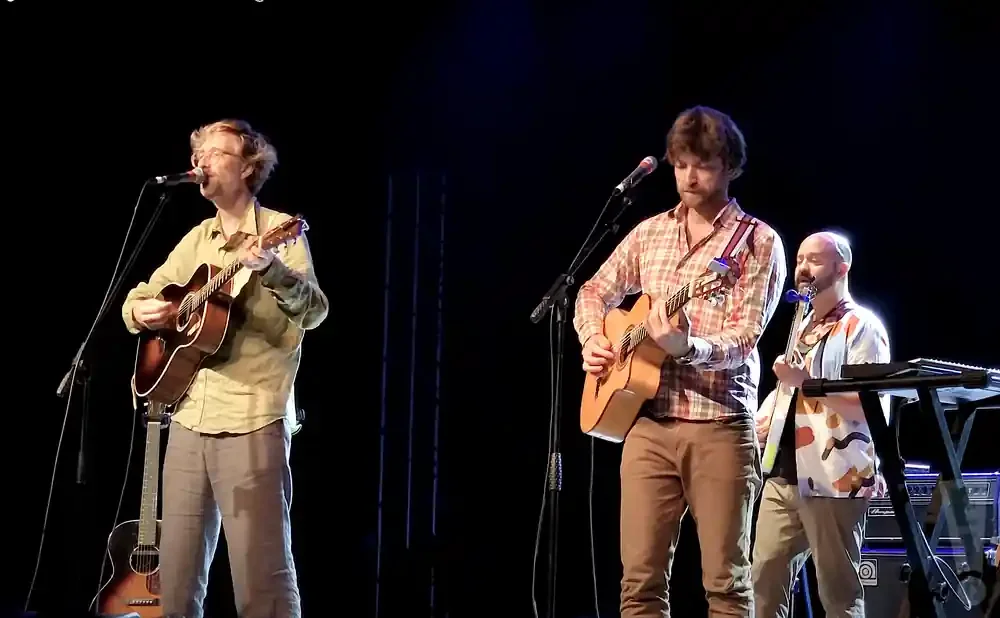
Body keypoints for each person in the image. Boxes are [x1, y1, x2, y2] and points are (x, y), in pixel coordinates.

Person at [574, 105, 787, 618]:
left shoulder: (756, 242)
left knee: (727, 586)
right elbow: (592, 290)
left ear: (730, 167)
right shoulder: (649, 233)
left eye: (705, 164)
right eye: (682, 163)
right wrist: (592, 340)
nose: (691, 176)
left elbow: (745, 338)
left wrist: (689, 349)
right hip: (646, 424)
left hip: (718, 425)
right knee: (639, 586)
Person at [121, 119, 328, 618]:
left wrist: (271, 270)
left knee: (263, 583)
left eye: (215, 153)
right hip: (190, 417)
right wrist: (140, 312)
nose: (201, 163)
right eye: (198, 154)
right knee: (176, 579)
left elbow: (316, 310)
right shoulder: (198, 239)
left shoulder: (281, 230)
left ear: (248, 167)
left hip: (253, 418)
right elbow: (141, 296)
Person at [752, 231, 890, 617]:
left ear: (841, 267)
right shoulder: (804, 324)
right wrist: (759, 422)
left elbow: (872, 402)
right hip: (783, 473)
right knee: (763, 581)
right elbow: (786, 391)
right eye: (799, 261)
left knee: (838, 594)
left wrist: (806, 384)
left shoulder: (862, 325)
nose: (803, 269)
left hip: (836, 476)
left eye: (814, 260)